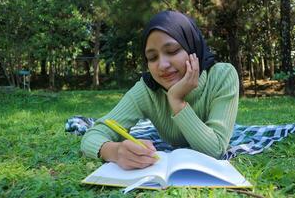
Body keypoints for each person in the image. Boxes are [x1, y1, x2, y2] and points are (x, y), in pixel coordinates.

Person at [81, 10, 239, 170]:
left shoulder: (222, 75)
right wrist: (115, 151)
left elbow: (216, 150)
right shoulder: (147, 90)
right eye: (152, 58)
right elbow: (94, 134)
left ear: (193, 49)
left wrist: (176, 100)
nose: (162, 65)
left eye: (172, 51)